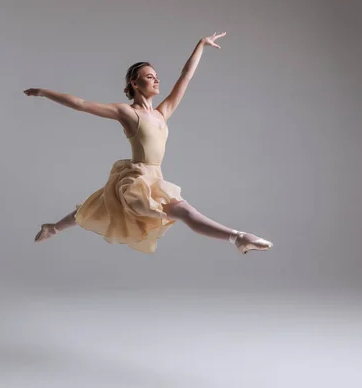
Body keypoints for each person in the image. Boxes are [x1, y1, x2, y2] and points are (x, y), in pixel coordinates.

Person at [24, 32, 273, 255]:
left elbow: (185, 77)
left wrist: (201, 45)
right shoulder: (128, 113)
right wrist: (44, 92)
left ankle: (53, 228)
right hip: (138, 179)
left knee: (98, 205)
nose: (156, 81)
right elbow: (80, 104)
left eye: (157, 77)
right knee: (183, 212)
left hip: (155, 177)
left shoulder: (162, 113)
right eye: (149, 77)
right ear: (134, 83)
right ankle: (238, 237)